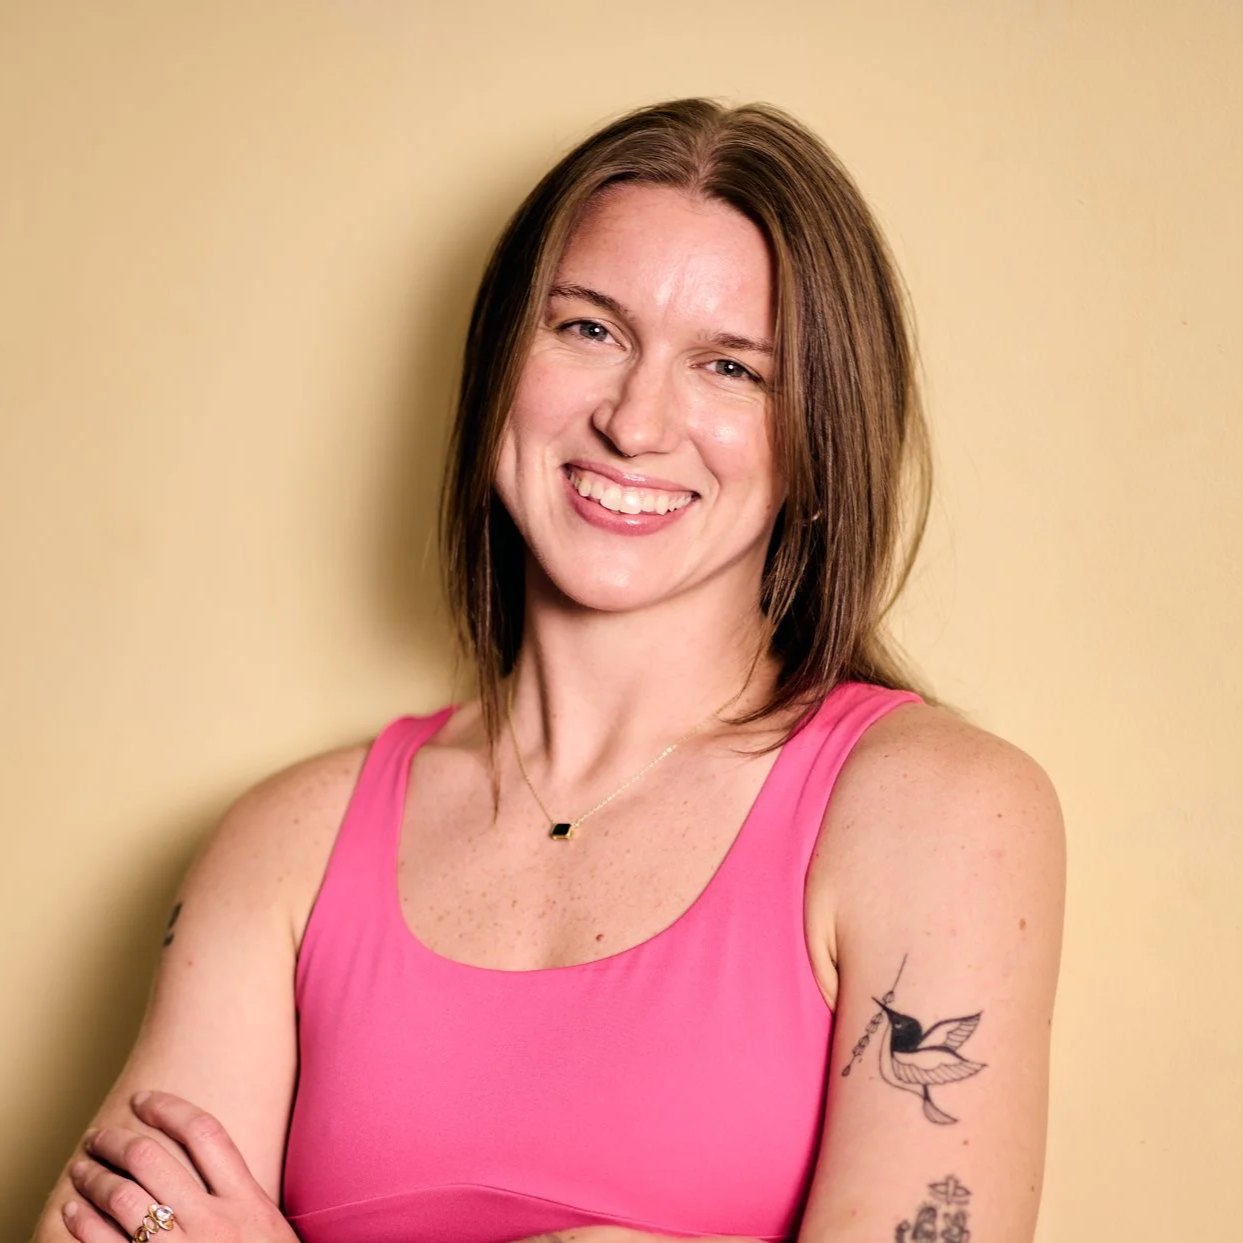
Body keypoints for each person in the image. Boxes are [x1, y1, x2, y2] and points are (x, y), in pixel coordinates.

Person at [35, 99, 1064, 1243]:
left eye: (730, 367)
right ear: (497, 365)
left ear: (820, 433)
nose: (634, 420)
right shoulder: (284, 843)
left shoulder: (941, 813)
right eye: (588, 330)